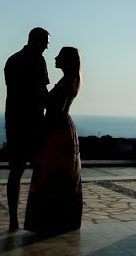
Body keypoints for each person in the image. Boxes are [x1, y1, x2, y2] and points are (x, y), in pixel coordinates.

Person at [24, 46, 83, 234]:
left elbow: (53, 106)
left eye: (59, 56)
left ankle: (49, 221)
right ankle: (60, 220)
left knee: (51, 174)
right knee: (62, 174)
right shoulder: (72, 79)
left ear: (66, 60)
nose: (55, 58)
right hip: (63, 129)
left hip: (56, 131)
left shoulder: (67, 81)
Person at [4, 27, 50, 231]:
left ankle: (13, 219)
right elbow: (43, 92)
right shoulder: (38, 61)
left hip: (15, 122)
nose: (48, 46)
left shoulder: (12, 60)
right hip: (32, 123)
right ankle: (37, 216)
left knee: (16, 171)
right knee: (38, 170)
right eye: (45, 42)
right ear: (36, 40)